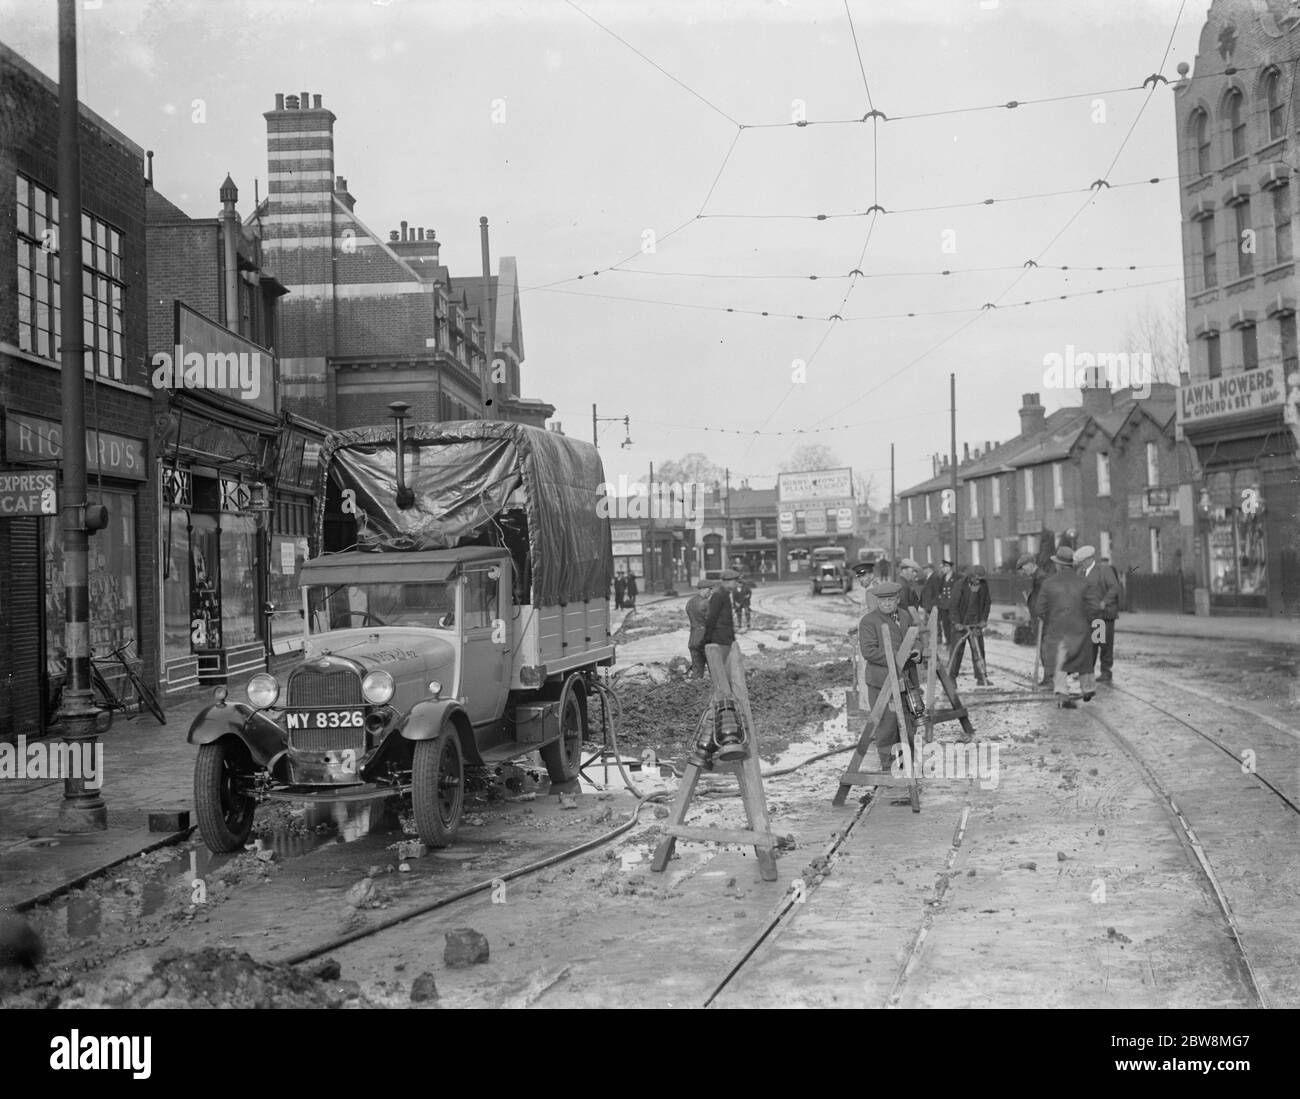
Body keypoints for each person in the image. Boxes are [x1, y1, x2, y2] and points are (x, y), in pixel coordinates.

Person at [857, 580, 924, 777]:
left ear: (897, 600)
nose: (886, 604)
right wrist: (897, 656)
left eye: (890, 600)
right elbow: (869, 651)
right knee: (887, 723)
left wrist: (917, 652)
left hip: (906, 679)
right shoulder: (869, 621)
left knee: (909, 719)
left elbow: (916, 639)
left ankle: (909, 762)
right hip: (882, 681)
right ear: (877, 601)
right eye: (882, 601)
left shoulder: (904, 616)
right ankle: (888, 765)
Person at [1034, 545, 1095, 708]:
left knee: (1059, 660)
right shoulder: (1084, 582)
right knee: (1084, 658)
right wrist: (1085, 620)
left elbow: (1039, 609)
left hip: (1057, 630)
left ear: (1058, 565)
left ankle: (1062, 692)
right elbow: (1093, 607)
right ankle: (1088, 688)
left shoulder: (1048, 584)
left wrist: (1051, 619)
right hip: (1080, 628)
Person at [698, 568, 746, 761]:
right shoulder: (719, 596)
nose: (736, 584)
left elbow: (726, 620)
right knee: (722, 678)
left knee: (725, 675)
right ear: (727, 581)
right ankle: (723, 710)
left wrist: (732, 637)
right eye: (734, 581)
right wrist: (706, 640)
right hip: (719, 639)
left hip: (725, 638)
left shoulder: (724, 594)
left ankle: (724, 705)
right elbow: (712, 619)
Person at [1077, 545, 1121, 684]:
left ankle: (1106, 672)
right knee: (1091, 645)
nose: (1081, 563)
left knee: (1104, 644)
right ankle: (1088, 671)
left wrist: (1105, 602)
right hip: (1089, 615)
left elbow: (1115, 587)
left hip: (1103, 615)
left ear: (1090, 559)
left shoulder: (1104, 570)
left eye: (1083, 561)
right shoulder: (1080, 572)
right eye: (1080, 561)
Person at [950, 565, 991, 685]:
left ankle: (981, 677)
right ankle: (951, 678)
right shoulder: (960, 585)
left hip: (975, 623)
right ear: (971, 577)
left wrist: (983, 619)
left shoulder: (984, 585)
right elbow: (953, 606)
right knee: (957, 652)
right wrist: (956, 622)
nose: (979, 581)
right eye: (977, 578)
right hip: (961, 623)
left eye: (981, 579)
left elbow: (987, 603)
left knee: (979, 651)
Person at [1017, 552, 1049, 686]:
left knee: (1046, 650)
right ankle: (1049, 678)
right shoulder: (1037, 577)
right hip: (1039, 619)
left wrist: (1042, 616)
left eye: (1023, 568)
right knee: (1043, 650)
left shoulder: (1041, 578)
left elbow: (1045, 600)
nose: (1023, 572)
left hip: (1043, 621)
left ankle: (1050, 679)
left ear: (1030, 565)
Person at [921, 559, 956, 654]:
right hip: (939, 605)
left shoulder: (938, 577)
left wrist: (935, 603)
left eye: (945, 567)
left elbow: (937, 591)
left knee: (945, 623)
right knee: (942, 624)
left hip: (946, 605)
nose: (943, 569)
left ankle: (948, 641)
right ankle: (946, 641)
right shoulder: (940, 577)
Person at [685, 578, 712, 679]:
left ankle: (696, 691)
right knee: (714, 669)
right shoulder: (706, 603)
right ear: (703, 589)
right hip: (705, 640)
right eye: (709, 590)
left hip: (693, 639)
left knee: (697, 671)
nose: (710, 593)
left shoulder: (689, 602)